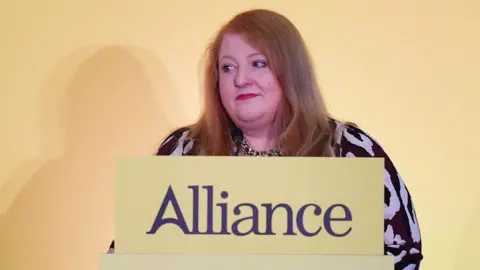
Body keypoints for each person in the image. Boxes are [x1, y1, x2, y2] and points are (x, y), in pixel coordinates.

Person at [108, 9, 423, 269]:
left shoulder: (349, 151)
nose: (240, 78)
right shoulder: (183, 151)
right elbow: (127, 253)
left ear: (290, 71)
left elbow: (404, 255)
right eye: (228, 68)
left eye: (258, 63)